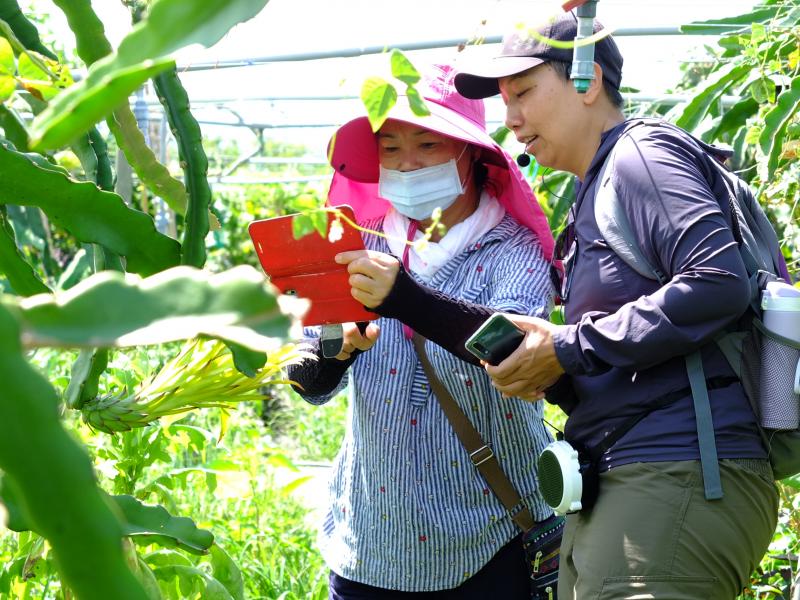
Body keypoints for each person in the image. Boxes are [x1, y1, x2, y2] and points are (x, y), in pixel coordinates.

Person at [453, 11, 780, 600]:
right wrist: (547, 362)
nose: (512, 119)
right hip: (633, 479)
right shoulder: (594, 191)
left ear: (588, 81)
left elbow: (717, 281)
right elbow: (639, 348)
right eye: (505, 101)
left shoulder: (641, 158)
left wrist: (571, 344)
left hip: (677, 475)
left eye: (524, 91)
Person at [286, 63, 557, 598]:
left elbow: (515, 361)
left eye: (428, 145)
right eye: (390, 148)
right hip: (369, 542)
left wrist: (404, 299)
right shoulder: (363, 249)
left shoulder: (512, 253)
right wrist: (337, 352)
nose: (407, 164)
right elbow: (307, 382)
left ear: (472, 153)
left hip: (489, 541)